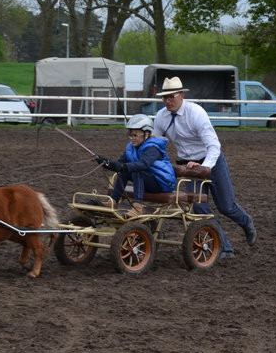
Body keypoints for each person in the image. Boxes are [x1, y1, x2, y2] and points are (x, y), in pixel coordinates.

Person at [152, 77, 256, 258]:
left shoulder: (196, 113)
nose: (168, 101)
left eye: (171, 96)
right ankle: (224, 247)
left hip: (212, 163)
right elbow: (155, 145)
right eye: (164, 98)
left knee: (226, 206)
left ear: (181, 95)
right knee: (200, 211)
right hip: (188, 167)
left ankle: (246, 222)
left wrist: (204, 167)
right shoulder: (161, 117)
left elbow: (214, 146)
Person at [95, 114, 176, 218]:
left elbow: (143, 164)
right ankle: (113, 202)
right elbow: (119, 164)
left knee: (137, 170)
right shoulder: (131, 148)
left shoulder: (153, 148)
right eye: (130, 135)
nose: (132, 138)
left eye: (135, 135)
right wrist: (104, 161)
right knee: (126, 171)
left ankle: (138, 208)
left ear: (146, 134)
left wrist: (123, 167)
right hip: (146, 181)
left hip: (162, 184)